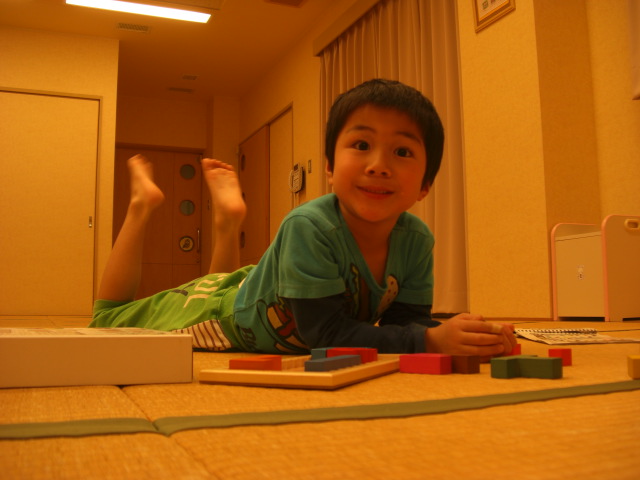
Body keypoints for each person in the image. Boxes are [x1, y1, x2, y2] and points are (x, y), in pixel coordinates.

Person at [91, 79, 516, 357]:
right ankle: (141, 205)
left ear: (425, 185)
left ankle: (227, 221)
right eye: (361, 145)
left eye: (402, 152)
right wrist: (429, 340)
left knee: (222, 283)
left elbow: (405, 325)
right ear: (329, 167)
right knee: (106, 321)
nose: (378, 165)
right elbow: (325, 336)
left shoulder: (417, 240)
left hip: (259, 288)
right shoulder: (309, 225)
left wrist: (464, 336)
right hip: (220, 316)